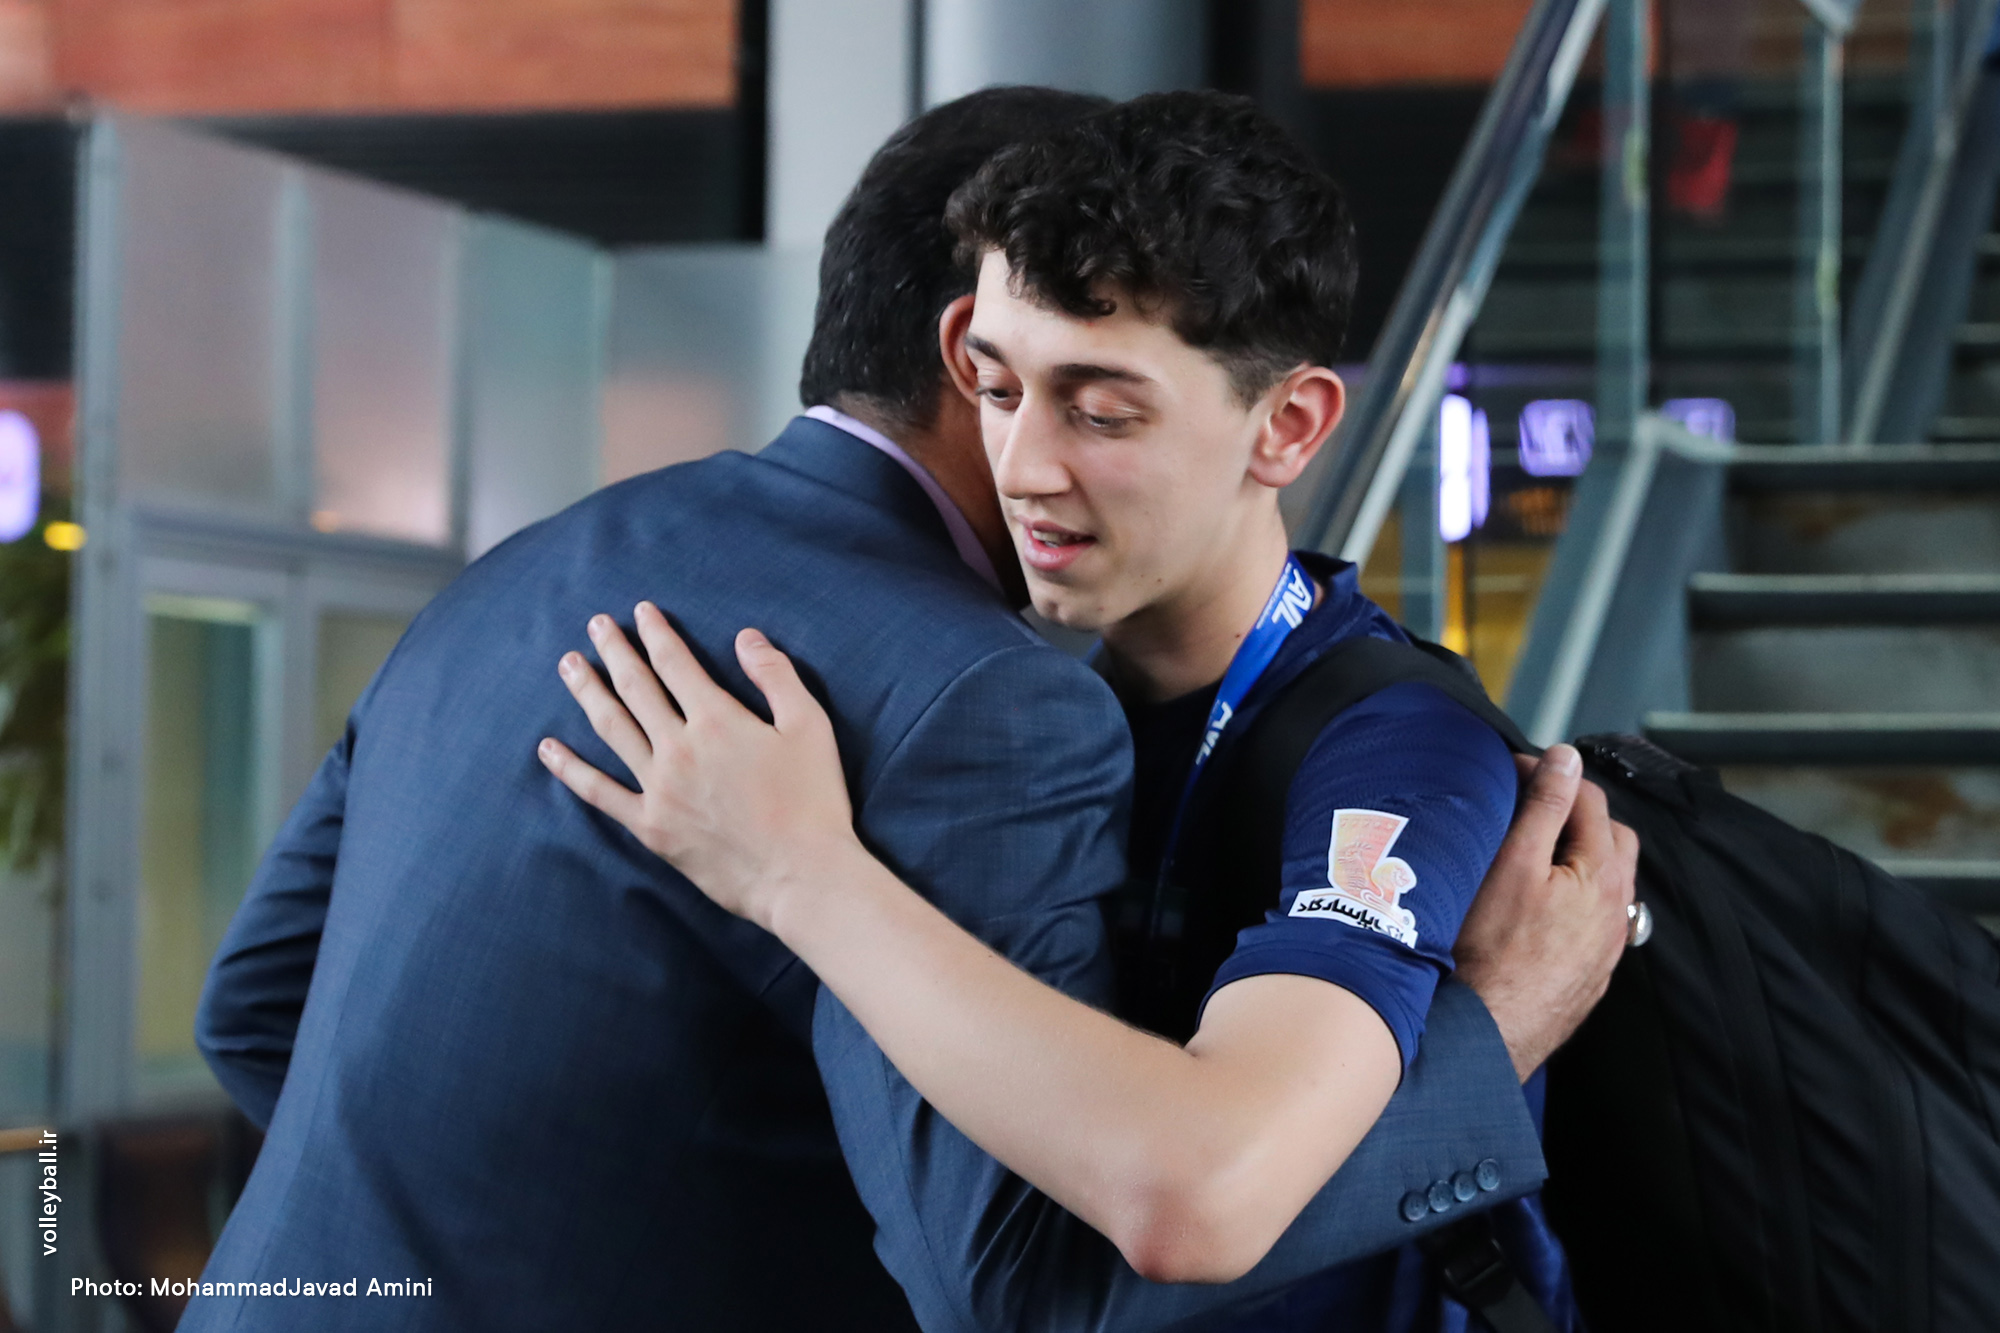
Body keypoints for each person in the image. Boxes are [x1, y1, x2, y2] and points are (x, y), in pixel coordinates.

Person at [190, 88, 1629, 1333]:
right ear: (959, 343)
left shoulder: (533, 567)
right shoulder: (989, 695)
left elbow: (257, 1016)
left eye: (1102, 407)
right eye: (1001, 385)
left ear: (1289, 425)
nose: (1032, 459)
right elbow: (1011, 1276)